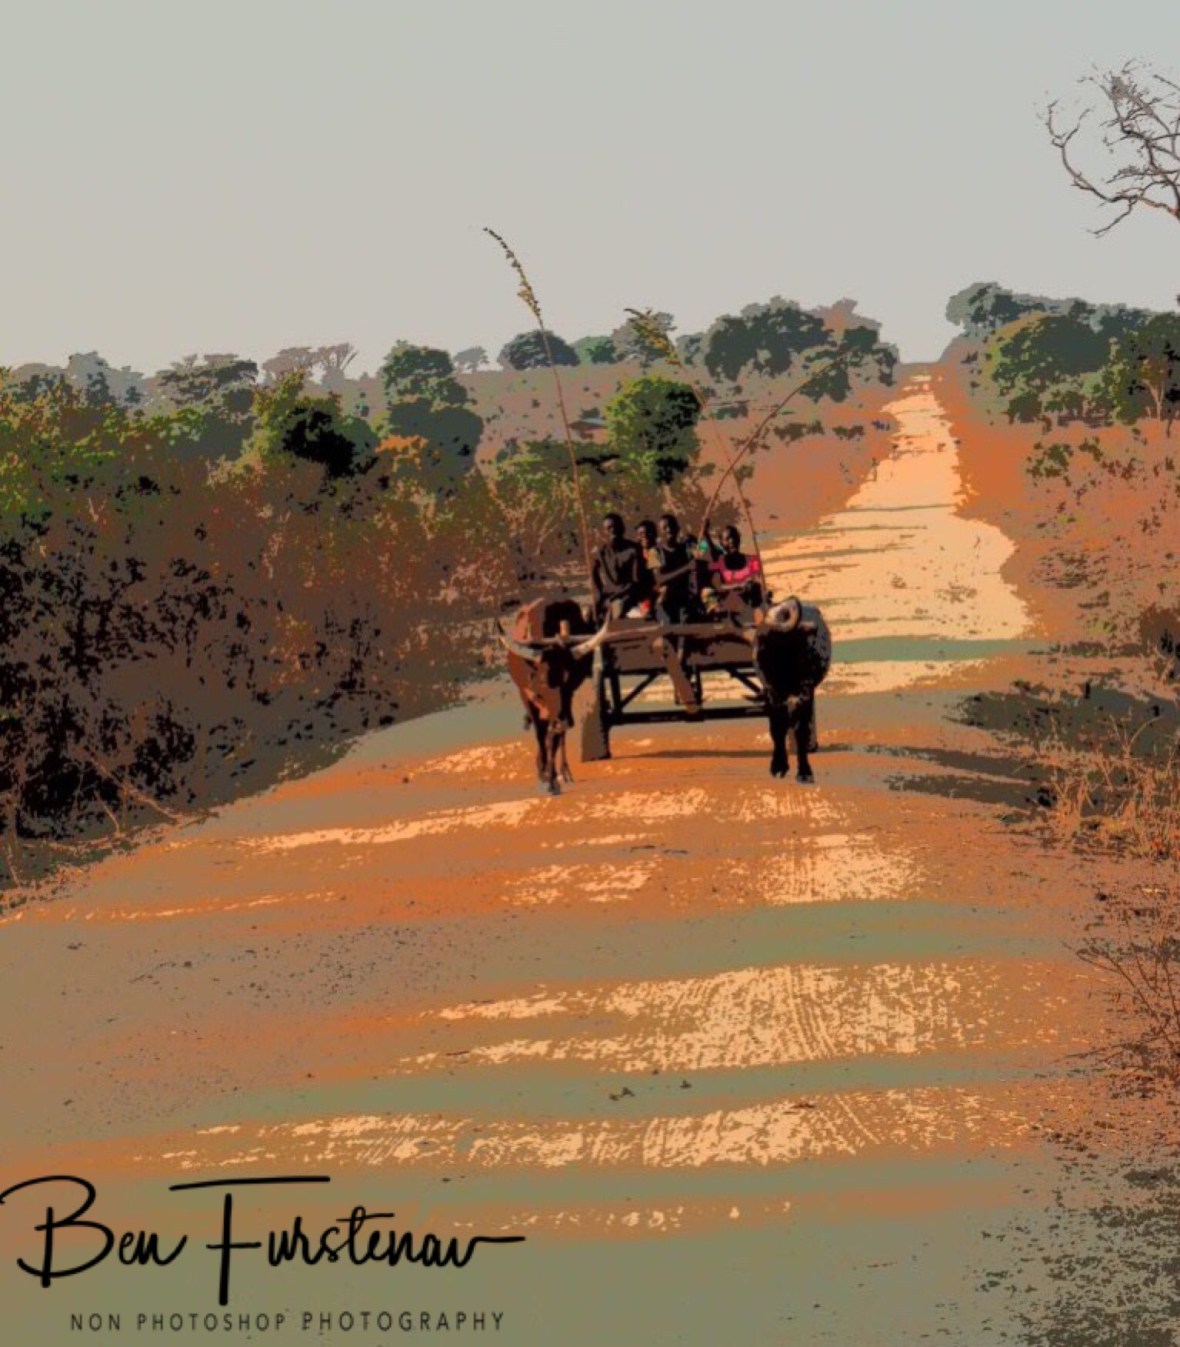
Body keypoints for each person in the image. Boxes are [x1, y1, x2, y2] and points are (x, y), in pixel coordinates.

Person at [591, 512, 650, 620]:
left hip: (628, 593)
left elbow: (635, 582)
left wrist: (614, 596)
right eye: (608, 528)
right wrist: (599, 593)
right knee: (590, 613)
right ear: (604, 532)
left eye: (616, 526)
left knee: (618, 607)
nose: (613, 530)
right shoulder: (601, 552)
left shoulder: (633, 550)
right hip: (609, 593)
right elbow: (593, 572)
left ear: (622, 528)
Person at [699, 523, 764, 614]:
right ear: (722, 543)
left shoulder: (752, 560)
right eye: (727, 539)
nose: (732, 541)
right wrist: (738, 585)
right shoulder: (719, 562)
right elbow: (719, 586)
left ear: (739, 538)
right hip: (729, 607)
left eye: (734, 537)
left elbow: (758, 581)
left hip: (751, 605)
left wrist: (752, 583)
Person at [653, 512, 701, 625]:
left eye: (671, 526)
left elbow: (704, 550)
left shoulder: (686, 549)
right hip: (665, 599)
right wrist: (686, 568)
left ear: (678, 529)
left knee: (689, 622)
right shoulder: (655, 552)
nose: (669, 530)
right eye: (665, 528)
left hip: (684, 597)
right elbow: (659, 579)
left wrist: (705, 535)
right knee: (669, 625)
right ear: (660, 532)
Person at [634, 520, 660, 617]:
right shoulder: (635, 554)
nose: (645, 536)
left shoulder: (660, 552)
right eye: (641, 534)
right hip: (641, 593)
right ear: (637, 536)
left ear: (655, 535)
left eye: (648, 532)